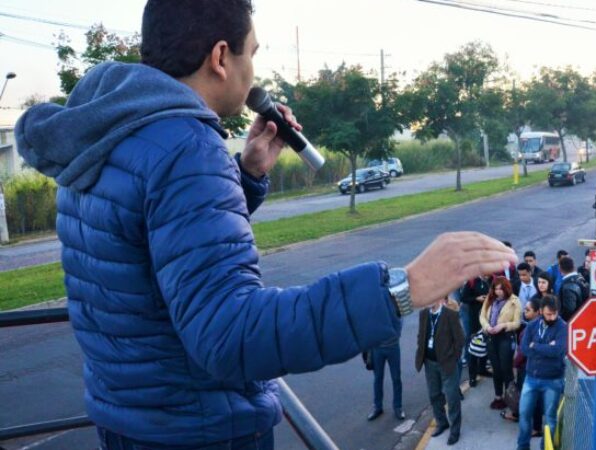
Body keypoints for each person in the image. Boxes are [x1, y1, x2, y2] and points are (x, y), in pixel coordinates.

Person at [12, 1, 519, 447]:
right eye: (251, 52)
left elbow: (151, 253)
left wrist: (247, 175)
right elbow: (231, 336)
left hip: (127, 417)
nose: (254, 71)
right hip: (197, 430)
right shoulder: (187, 145)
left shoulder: (108, 131)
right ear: (219, 58)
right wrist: (401, 289)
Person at [517, 296, 568, 450]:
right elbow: (525, 349)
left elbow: (558, 351)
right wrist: (546, 346)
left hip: (553, 380)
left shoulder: (563, 327)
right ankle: (522, 446)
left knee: (550, 419)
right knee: (524, 414)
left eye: (554, 314)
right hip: (531, 377)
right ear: (540, 312)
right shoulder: (532, 326)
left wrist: (536, 345)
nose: (552, 317)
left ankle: (546, 447)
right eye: (548, 314)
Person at [416, 298, 466, 446]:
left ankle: (455, 430)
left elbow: (460, 340)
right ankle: (441, 422)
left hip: (447, 364)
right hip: (429, 364)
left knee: (452, 398)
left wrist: (453, 357)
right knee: (434, 395)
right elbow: (421, 336)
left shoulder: (450, 315)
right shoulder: (424, 314)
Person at [480, 277, 522, 410]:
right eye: (496, 289)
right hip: (491, 337)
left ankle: (509, 397)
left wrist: (503, 325)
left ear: (506, 288)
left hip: (505, 336)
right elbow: (482, 316)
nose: (498, 292)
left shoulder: (514, 301)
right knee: (496, 368)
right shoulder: (489, 298)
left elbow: (517, 323)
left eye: (501, 289)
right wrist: (487, 327)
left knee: (506, 368)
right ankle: (498, 396)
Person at [502, 298, 543, 434]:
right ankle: (518, 415)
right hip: (530, 367)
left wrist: (515, 363)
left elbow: (524, 352)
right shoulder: (537, 325)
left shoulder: (532, 329)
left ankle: (536, 428)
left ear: (538, 312)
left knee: (532, 397)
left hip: (527, 368)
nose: (524, 312)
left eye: (528, 310)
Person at [367, 316, 405, 421]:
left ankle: (398, 407)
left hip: (393, 347)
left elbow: (400, 319)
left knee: (396, 378)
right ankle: (377, 407)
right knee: (378, 378)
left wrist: (395, 335)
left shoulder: (393, 301)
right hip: (377, 348)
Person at [462, 276, 492, 386]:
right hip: (475, 320)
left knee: (486, 344)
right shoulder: (472, 281)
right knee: (474, 348)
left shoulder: (492, 279)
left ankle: (482, 369)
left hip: (488, 319)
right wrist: (476, 298)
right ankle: (472, 377)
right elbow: (463, 298)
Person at [558, 256, 587, 322]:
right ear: (573, 266)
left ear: (560, 269)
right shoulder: (581, 278)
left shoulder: (567, 286)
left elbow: (569, 310)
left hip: (574, 324)